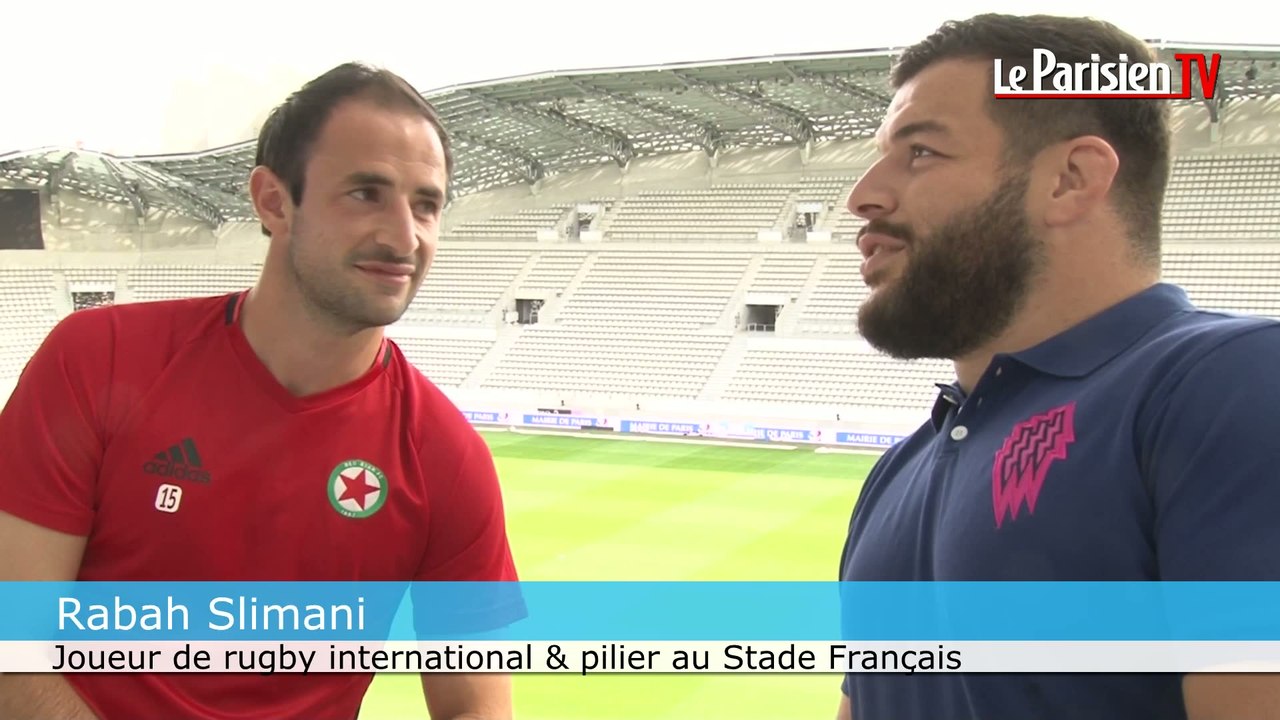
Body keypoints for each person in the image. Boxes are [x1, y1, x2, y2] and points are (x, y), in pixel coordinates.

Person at [0, 63, 521, 719]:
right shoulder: (98, 361)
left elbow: (475, 708)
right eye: (366, 193)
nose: (403, 236)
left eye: (427, 204)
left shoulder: (447, 459)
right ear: (274, 201)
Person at [836, 13, 1280, 720]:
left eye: (919, 152)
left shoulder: (1232, 383)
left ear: (1070, 179)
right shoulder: (899, 470)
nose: (863, 195)